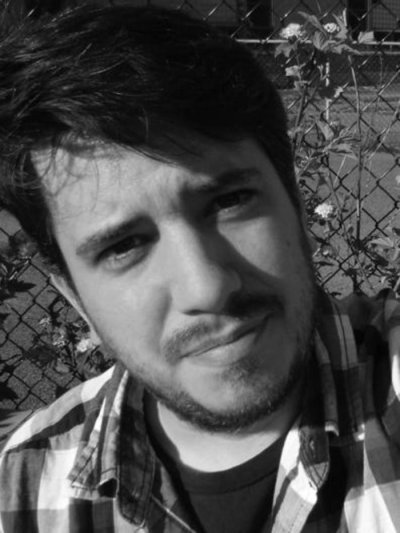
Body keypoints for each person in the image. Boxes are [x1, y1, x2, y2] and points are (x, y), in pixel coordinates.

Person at [0, 4, 399, 532]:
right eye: (123, 246)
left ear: (296, 204)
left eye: (229, 202)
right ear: (73, 294)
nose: (206, 287)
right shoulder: (21, 489)